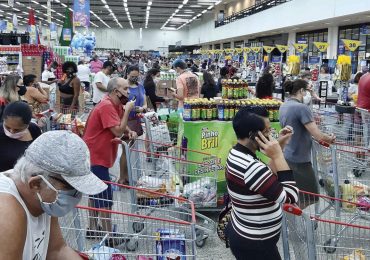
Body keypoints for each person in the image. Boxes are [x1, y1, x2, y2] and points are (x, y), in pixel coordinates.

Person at [0, 130, 107, 259]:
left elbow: (57, 250)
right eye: (70, 187)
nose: (76, 195)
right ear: (36, 184)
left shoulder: (41, 199)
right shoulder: (6, 212)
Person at [226, 106, 298, 260]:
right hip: (256, 244)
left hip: (247, 236)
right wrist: (278, 156)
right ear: (253, 135)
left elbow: (265, 178)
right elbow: (291, 197)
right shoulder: (251, 166)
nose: (270, 136)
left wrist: (280, 146)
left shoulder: (237, 152)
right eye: (267, 132)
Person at [83, 77, 136, 247]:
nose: (129, 92)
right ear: (115, 91)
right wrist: (128, 111)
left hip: (99, 155)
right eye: (126, 89)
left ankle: (92, 227)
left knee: (95, 192)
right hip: (96, 156)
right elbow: (117, 130)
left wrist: (130, 130)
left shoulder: (113, 104)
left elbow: (120, 122)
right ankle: (109, 236)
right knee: (105, 197)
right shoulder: (106, 105)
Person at [279, 79, 336, 208]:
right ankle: (294, 221)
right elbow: (317, 135)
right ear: (301, 91)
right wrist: (330, 138)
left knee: (297, 193)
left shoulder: (284, 105)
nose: (309, 94)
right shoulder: (301, 108)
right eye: (308, 91)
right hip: (300, 160)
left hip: (288, 155)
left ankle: (293, 219)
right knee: (312, 195)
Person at [0, 101, 41, 171]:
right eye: (7, 127)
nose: (11, 131)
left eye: (17, 130)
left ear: (27, 125)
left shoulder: (34, 129)